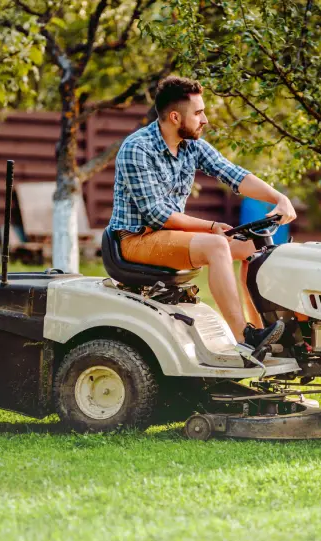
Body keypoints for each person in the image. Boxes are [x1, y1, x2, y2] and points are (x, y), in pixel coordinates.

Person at [107, 76, 296, 358]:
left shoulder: (191, 145)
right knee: (217, 245)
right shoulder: (137, 149)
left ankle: (263, 330)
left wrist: (279, 198)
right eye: (198, 113)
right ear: (174, 117)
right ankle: (244, 337)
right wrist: (210, 228)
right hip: (136, 239)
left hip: (170, 235)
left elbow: (233, 174)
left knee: (252, 247)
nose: (205, 119)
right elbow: (158, 215)